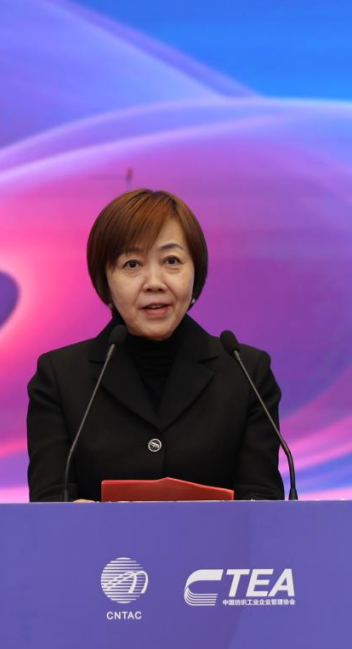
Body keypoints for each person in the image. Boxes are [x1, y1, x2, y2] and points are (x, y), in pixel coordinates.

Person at [26, 189, 285, 502]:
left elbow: (262, 504)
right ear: (105, 280)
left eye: (171, 261)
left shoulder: (247, 373)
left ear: (196, 272)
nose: (154, 282)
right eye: (132, 264)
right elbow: (49, 505)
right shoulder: (59, 378)